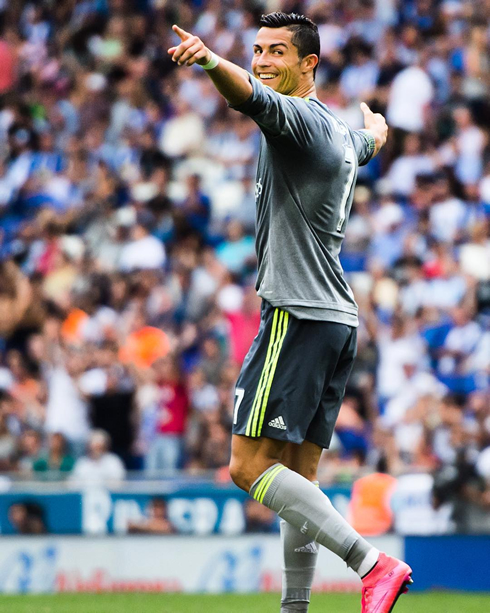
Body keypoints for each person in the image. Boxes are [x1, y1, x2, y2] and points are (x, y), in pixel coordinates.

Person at [168, 11, 412, 613]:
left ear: (309, 65)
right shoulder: (337, 129)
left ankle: (371, 564)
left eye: (277, 51)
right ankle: (295, 606)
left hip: (296, 314)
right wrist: (379, 134)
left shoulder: (296, 119)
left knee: (248, 468)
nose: (261, 60)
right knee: (296, 481)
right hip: (336, 320)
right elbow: (366, 145)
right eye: (255, 49)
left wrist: (208, 60)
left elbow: (247, 95)